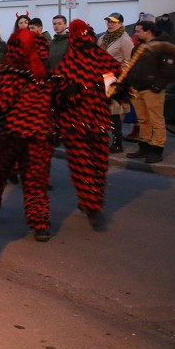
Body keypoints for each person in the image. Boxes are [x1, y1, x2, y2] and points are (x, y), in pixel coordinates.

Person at [0, 30, 55, 241]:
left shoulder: (11, 75)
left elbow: (1, 105)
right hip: (41, 135)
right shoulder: (48, 77)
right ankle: (39, 223)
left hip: (13, 133)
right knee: (36, 180)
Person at [52, 20, 121, 230]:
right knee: (82, 165)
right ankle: (93, 207)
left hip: (99, 120)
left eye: (88, 36)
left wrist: (118, 88)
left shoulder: (102, 59)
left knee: (99, 165)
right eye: (82, 38)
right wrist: (65, 92)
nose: (86, 41)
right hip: (74, 123)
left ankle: (90, 200)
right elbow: (56, 94)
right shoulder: (67, 63)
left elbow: (112, 86)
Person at [119, 20, 175, 164]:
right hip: (137, 89)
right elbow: (132, 67)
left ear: (148, 32)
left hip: (152, 90)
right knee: (143, 119)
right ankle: (144, 146)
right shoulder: (139, 47)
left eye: (138, 31)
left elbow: (169, 68)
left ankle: (157, 149)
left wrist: (157, 86)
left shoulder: (163, 46)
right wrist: (128, 84)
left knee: (156, 120)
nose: (135, 34)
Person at [97, 12, 134, 153]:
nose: (110, 24)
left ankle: (117, 142)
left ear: (121, 24)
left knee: (114, 111)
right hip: (101, 78)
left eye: (114, 22)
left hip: (115, 80)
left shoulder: (125, 40)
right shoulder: (103, 38)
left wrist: (118, 76)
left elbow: (129, 62)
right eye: (108, 21)